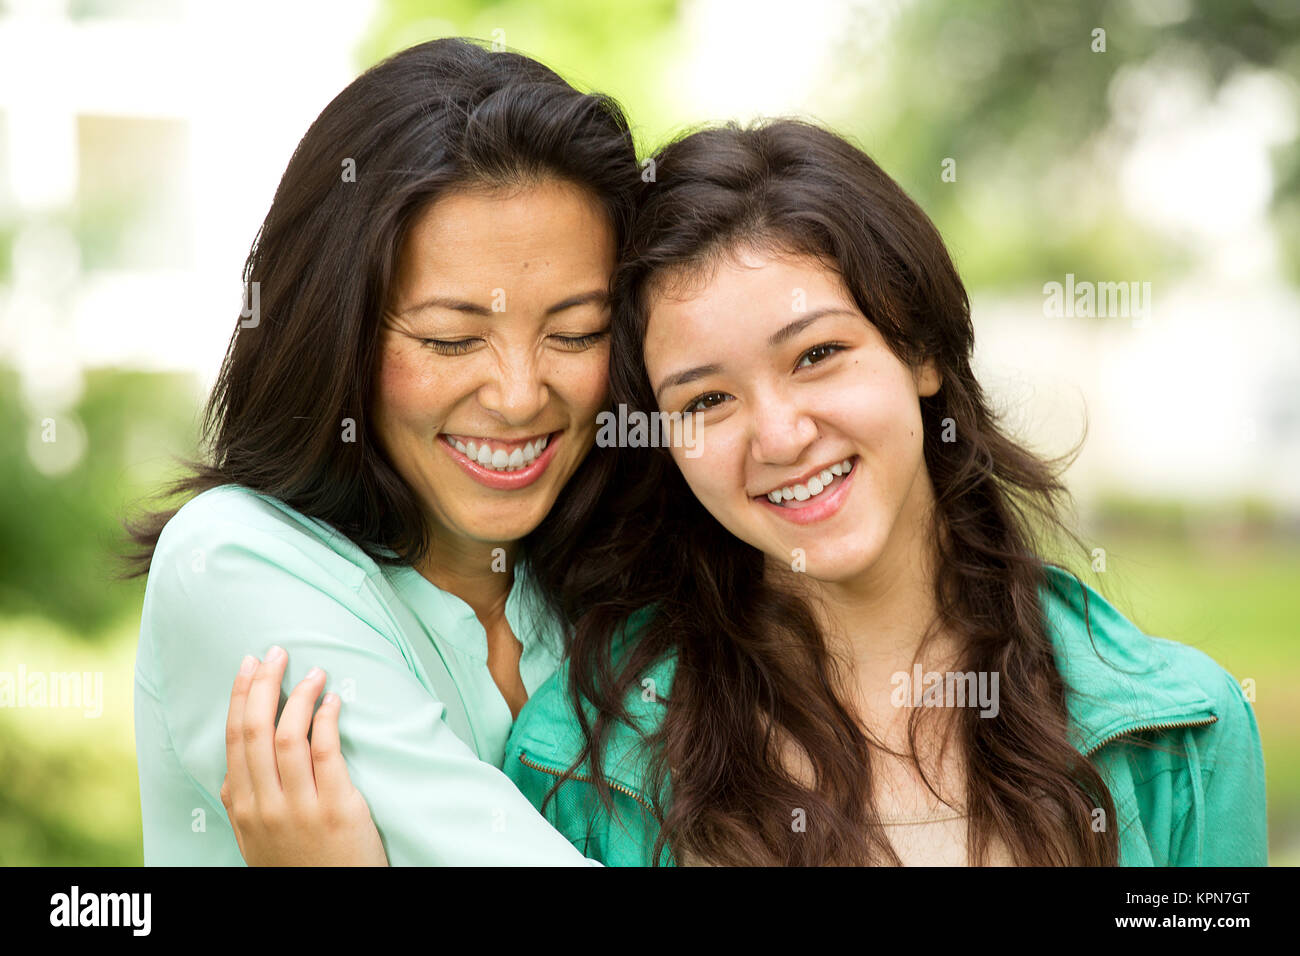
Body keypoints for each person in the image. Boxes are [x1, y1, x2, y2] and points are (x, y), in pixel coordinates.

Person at [224, 119, 1268, 866]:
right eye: (705, 397)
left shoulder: (1179, 732)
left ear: (916, 348)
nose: (777, 434)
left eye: (816, 354)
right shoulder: (584, 760)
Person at [127, 36, 638, 865]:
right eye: (449, 339)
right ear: (336, 335)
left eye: (578, 332)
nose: (518, 395)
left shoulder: (611, 582)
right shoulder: (234, 563)